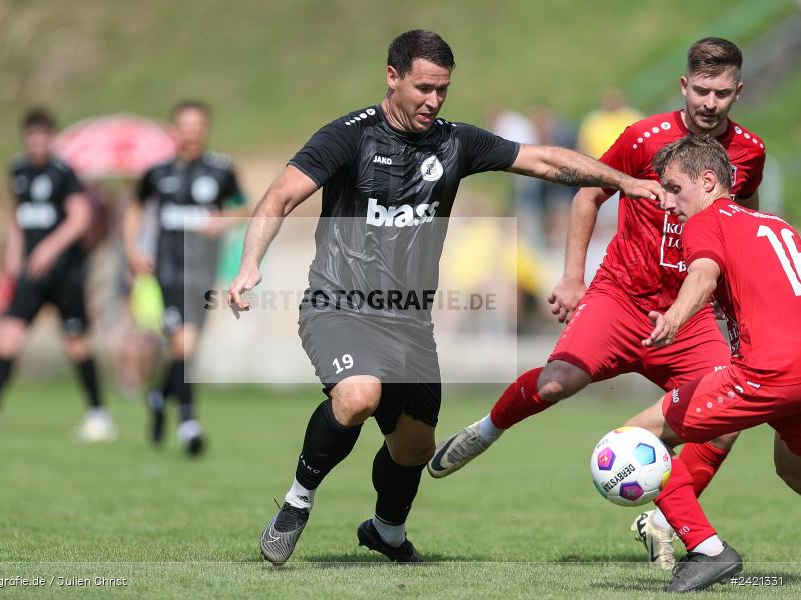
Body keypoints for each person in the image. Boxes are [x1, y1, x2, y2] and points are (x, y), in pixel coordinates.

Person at [227, 29, 664, 566]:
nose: (433, 102)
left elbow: (544, 162)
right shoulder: (350, 137)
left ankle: (386, 530)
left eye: (442, 91)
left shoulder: (455, 142)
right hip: (338, 304)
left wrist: (622, 180)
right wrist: (251, 262)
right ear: (392, 78)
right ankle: (297, 501)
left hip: (408, 322)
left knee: (414, 447)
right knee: (358, 395)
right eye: (423, 88)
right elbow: (280, 195)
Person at [429, 37, 767, 570]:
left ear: (737, 92)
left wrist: (739, 297)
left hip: (691, 312)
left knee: (725, 417)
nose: (709, 103)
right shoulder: (642, 137)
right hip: (621, 297)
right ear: (684, 85)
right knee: (559, 382)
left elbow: (743, 217)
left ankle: (664, 520)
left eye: (721, 93)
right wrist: (571, 276)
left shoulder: (749, 151)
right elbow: (588, 192)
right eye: (700, 90)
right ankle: (485, 431)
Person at [620, 135, 801, 592]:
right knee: (791, 465)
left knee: (635, 438)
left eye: (674, 188)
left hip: (768, 372)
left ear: (707, 181)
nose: (668, 201)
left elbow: (702, 274)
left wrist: (675, 319)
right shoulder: (775, 225)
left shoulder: (707, 219)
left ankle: (707, 550)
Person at [0, 108, 117, 442]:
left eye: (44, 136)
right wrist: (14, 258)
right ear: (26, 138)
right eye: (32, 136)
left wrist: (49, 248)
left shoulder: (64, 173)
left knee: (77, 345)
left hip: (65, 273)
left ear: (51, 138)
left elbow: (80, 217)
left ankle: (99, 416)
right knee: (7, 337)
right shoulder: (19, 170)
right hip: (31, 276)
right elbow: (19, 217)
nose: (38, 142)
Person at [124, 100, 248, 456]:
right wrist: (134, 249)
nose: (191, 132)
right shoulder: (157, 173)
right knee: (184, 346)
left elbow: (243, 206)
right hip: (168, 271)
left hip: (203, 271)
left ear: (205, 129)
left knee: (184, 348)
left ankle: (160, 396)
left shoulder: (220, 170)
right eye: (184, 125)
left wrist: (224, 220)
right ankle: (189, 423)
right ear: (173, 130)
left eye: (198, 126)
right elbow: (135, 208)